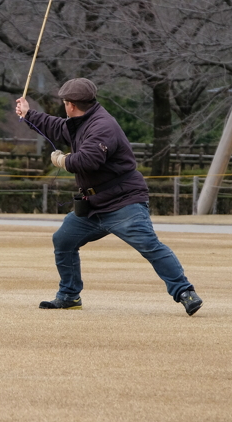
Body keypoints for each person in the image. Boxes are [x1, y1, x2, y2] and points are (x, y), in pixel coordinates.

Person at [15, 78, 202, 315]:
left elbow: (88, 160)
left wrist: (63, 161)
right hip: (92, 205)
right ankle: (69, 297)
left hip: (123, 202)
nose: (64, 106)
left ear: (71, 104)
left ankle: (185, 292)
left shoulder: (102, 126)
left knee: (149, 246)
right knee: (63, 240)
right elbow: (55, 126)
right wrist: (28, 114)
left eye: (64, 102)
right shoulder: (80, 121)